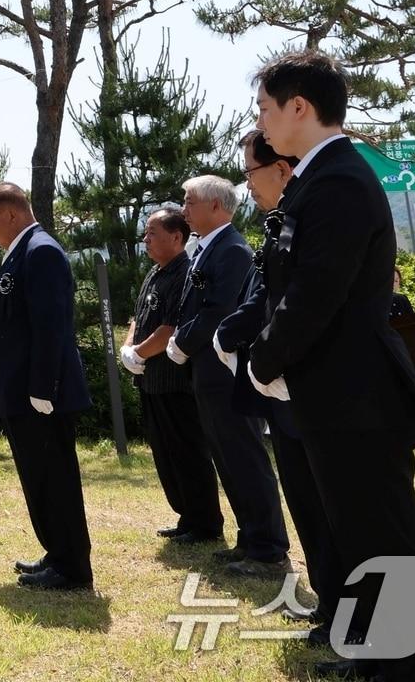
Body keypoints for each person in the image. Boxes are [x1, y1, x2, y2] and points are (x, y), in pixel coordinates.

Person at [248, 49, 415, 681]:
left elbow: (315, 292)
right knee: (364, 548)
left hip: (359, 399)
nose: (261, 121)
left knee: (389, 550)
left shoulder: (337, 180)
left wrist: (264, 359)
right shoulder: (318, 178)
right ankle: (381, 663)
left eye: (266, 108)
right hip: (337, 398)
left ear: (299, 107)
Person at [216, 130, 343, 646]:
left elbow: (305, 302)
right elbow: (267, 297)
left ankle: (352, 620)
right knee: (308, 510)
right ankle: (332, 607)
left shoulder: (322, 208)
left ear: (281, 170)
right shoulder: (279, 223)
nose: (247, 185)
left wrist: (261, 360)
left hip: (311, 387)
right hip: (284, 391)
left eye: (249, 172)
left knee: (333, 515)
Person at [167, 174, 290, 578]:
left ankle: (268, 547)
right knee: (226, 455)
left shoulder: (232, 250)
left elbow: (219, 310)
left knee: (244, 454)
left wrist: (182, 342)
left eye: (190, 202)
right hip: (208, 369)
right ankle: (250, 536)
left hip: (226, 367)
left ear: (216, 207)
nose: (184, 209)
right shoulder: (207, 247)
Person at [0, 183, 94, 591]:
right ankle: (56, 552)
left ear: (11, 214)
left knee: (54, 479)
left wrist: (44, 388)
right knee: (39, 479)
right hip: (22, 392)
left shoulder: (40, 251)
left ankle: (71, 567)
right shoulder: (25, 251)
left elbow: (52, 328)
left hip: (40, 394)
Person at [119, 207, 223, 545]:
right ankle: (186, 516)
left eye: (152, 233)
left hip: (175, 381)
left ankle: (205, 523)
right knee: (164, 452)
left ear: (176, 237)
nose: (145, 239)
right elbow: (140, 316)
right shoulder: (155, 272)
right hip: (151, 381)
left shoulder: (184, 273)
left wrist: (139, 352)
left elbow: (170, 327)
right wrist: (128, 346)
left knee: (187, 451)